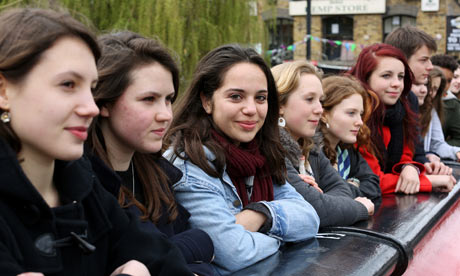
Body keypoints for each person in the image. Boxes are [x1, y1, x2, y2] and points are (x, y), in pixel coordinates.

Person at [0, 8, 192, 276]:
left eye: (91, 89)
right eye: (68, 84)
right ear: (4, 91)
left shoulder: (87, 192)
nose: (91, 107)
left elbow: (166, 261)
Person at [164, 44, 319, 275]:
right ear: (207, 101)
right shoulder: (190, 163)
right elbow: (234, 252)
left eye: (261, 98)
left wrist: (260, 215)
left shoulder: (261, 155)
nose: (251, 109)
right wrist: (282, 239)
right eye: (236, 96)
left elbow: (309, 218)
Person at [86, 31, 214, 276]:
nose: (166, 114)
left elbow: (203, 242)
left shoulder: (157, 174)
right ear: (104, 103)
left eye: (168, 99)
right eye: (148, 99)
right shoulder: (84, 183)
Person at [271, 61, 375, 227]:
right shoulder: (271, 150)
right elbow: (318, 209)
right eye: (309, 99)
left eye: (320, 100)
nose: (319, 109)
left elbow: (343, 191)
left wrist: (326, 200)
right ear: (280, 105)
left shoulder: (310, 147)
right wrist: (359, 208)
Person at [350, 43, 455, 195]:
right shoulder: (355, 118)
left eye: (400, 77)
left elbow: (407, 153)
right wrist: (429, 181)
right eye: (386, 76)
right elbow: (372, 180)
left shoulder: (401, 108)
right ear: (366, 78)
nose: (396, 84)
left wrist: (409, 167)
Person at [384, 26, 451, 175]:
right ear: (402, 59)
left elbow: (416, 153)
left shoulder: (410, 99)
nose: (430, 66)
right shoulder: (369, 101)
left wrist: (428, 166)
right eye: (424, 60)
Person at [318, 75, 381, 203]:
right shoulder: (312, 153)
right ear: (324, 115)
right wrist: (352, 185)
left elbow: (373, 186)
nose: (360, 122)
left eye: (361, 114)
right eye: (351, 113)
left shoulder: (345, 150)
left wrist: (348, 188)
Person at [417, 67, 460, 161]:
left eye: (435, 89)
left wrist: (456, 152)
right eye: (428, 86)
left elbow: (437, 144)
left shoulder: (431, 111)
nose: (430, 92)